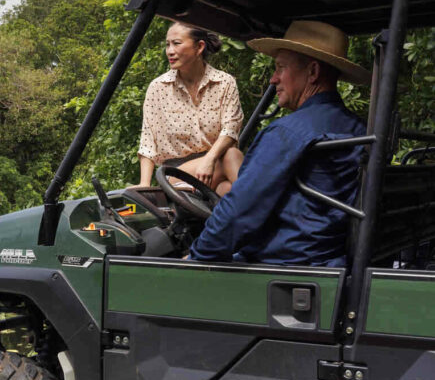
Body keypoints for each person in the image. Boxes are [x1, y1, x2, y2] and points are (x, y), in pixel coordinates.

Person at [188, 20, 370, 267]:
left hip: (284, 269)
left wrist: (196, 258)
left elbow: (239, 213)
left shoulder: (287, 133)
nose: (273, 79)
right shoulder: (358, 128)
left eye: (280, 68)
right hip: (330, 260)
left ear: (313, 72)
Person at [137, 22, 244, 195]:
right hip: (176, 174)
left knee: (228, 189)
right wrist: (144, 185)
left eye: (176, 43)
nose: (170, 51)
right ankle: (266, 212)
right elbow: (148, 141)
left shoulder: (224, 82)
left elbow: (231, 129)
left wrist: (210, 159)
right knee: (231, 155)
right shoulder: (158, 87)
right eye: (167, 44)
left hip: (214, 166)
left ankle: (250, 215)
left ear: (199, 47)